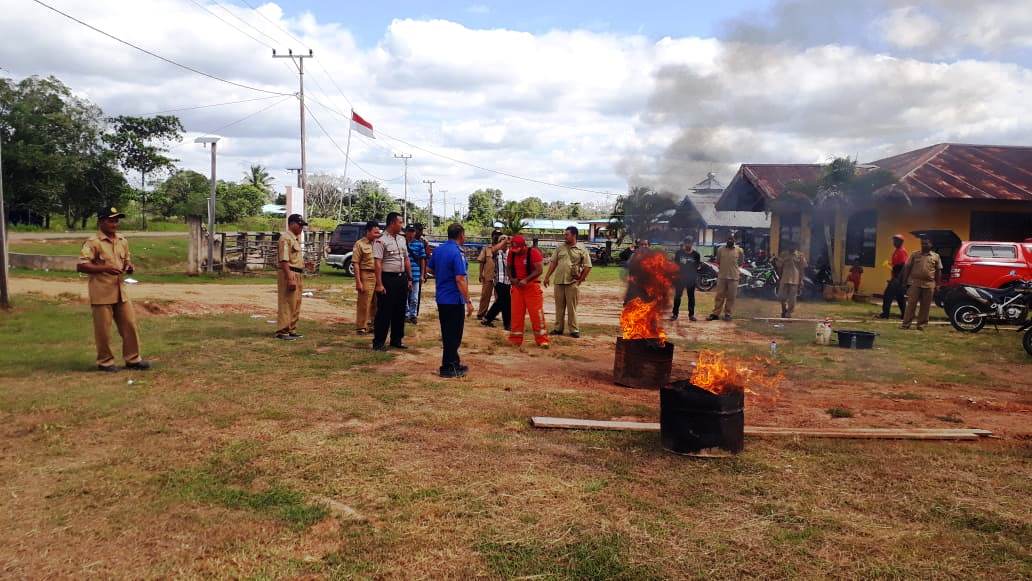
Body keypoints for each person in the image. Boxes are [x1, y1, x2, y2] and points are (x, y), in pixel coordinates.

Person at [76, 207, 150, 371]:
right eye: (111, 220)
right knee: (103, 330)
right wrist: (104, 268)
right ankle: (105, 362)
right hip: (101, 292)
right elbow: (81, 265)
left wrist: (129, 267)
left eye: (116, 220)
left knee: (129, 325)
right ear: (101, 221)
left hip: (120, 291)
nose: (114, 224)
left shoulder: (122, 240)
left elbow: (127, 261)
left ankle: (133, 359)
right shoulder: (93, 242)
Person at [427, 223, 475, 377]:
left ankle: (453, 362)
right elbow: (460, 278)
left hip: (442, 298)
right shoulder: (457, 252)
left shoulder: (439, 250)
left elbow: (430, 269)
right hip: (454, 299)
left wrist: (443, 276)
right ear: (461, 234)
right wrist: (468, 301)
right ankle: (448, 367)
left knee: (448, 332)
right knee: (454, 334)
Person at [372, 212, 412, 351]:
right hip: (387, 278)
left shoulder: (401, 239)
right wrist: (379, 283)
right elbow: (378, 263)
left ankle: (396, 339)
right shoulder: (381, 240)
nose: (402, 225)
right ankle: (379, 342)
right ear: (392, 223)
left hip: (401, 278)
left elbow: (406, 259)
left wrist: (409, 277)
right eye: (400, 222)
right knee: (384, 311)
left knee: (400, 311)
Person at [544, 226, 593, 338]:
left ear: (574, 235)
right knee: (559, 307)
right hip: (559, 281)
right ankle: (558, 329)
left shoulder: (581, 249)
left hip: (572, 282)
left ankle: (574, 330)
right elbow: (553, 263)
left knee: (572, 307)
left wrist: (581, 278)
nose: (565, 236)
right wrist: (547, 277)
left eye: (567, 234)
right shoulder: (560, 248)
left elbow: (588, 266)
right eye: (565, 234)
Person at [507, 235, 550, 348]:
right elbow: (509, 267)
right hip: (517, 287)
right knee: (516, 314)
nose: (516, 252)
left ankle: (542, 340)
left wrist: (526, 280)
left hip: (531, 287)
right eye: (514, 249)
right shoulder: (511, 253)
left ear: (524, 246)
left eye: (518, 249)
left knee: (536, 314)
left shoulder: (533, 253)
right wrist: (512, 279)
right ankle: (515, 340)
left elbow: (539, 270)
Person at [275, 213, 309, 340]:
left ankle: (291, 329)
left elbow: (294, 258)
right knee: (287, 302)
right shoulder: (285, 238)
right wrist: (290, 278)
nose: (301, 228)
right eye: (299, 225)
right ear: (292, 224)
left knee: (296, 303)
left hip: (297, 273)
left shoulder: (295, 239)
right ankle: (282, 331)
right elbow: (284, 261)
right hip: (289, 272)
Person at [900, 236, 942, 331]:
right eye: (922, 243)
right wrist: (904, 281)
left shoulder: (936, 256)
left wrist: (938, 285)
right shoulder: (914, 255)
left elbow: (939, 271)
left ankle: (921, 325)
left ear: (931, 245)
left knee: (925, 305)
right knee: (911, 304)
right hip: (915, 283)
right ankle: (906, 324)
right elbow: (907, 268)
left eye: (926, 243)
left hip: (929, 284)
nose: (923, 245)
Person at [708, 234, 744, 321]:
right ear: (726, 239)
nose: (730, 240)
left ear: (734, 240)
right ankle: (715, 314)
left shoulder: (739, 250)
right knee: (719, 296)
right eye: (729, 239)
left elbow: (740, 263)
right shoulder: (720, 250)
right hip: (722, 277)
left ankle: (728, 314)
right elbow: (718, 261)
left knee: (731, 297)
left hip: (734, 277)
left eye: (732, 239)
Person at [353, 220, 380, 334]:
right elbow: (355, 263)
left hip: (377, 275)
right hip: (365, 274)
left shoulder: (378, 244)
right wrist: (358, 281)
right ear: (368, 231)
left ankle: (373, 324)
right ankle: (361, 326)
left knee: (377, 302)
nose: (377, 235)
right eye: (375, 232)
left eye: (378, 232)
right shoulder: (360, 244)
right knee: (364, 302)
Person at [481, 234, 512, 330]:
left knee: (501, 301)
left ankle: (487, 319)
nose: (505, 242)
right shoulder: (496, 252)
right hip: (499, 280)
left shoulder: (510, 252)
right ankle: (507, 325)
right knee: (506, 303)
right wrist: (503, 240)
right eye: (502, 241)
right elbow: (493, 251)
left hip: (508, 281)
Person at [672, 236, 702, 321]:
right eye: (686, 243)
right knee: (677, 296)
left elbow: (697, 266)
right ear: (684, 243)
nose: (688, 244)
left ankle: (691, 315)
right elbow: (675, 265)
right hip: (680, 278)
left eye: (690, 243)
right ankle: (675, 314)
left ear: (692, 244)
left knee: (691, 297)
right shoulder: (679, 253)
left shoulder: (696, 255)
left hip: (691, 279)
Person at [879, 234, 909, 319]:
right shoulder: (896, 251)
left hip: (898, 278)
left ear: (901, 242)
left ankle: (885, 314)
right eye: (894, 240)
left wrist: (897, 276)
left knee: (887, 295)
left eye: (896, 240)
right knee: (900, 297)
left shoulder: (901, 251)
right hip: (897, 277)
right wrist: (889, 264)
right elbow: (896, 264)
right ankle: (904, 315)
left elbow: (902, 265)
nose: (894, 242)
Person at [775, 241, 807, 318]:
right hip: (784, 278)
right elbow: (779, 266)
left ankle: (788, 313)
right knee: (781, 297)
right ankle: (783, 309)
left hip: (795, 279)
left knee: (792, 298)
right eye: (790, 245)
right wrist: (779, 276)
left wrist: (801, 279)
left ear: (796, 247)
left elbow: (802, 269)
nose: (791, 247)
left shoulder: (800, 256)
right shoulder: (783, 254)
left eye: (793, 246)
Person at [476, 230, 501, 320]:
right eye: (495, 235)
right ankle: (481, 314)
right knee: (485, 296)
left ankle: (492, 314)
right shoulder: (486, 248)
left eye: (499, 235)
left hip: (500, 277)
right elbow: (482, 262)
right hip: (488, 275)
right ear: (492, 236)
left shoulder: (502, 249)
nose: (497, 237)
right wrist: (480, 274)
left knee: (499, 297)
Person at [405, 224, 428, 324]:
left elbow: (422, 260)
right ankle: (406, 314)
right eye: (409, 231)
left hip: (415, 274)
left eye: (412, 231)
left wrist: (422, 274)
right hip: (403, 274)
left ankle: (413, 315)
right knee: (404, 297)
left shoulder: (419, 244)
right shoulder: (401, 243)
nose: (411, 234)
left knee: (414, 297)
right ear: (406, 232)